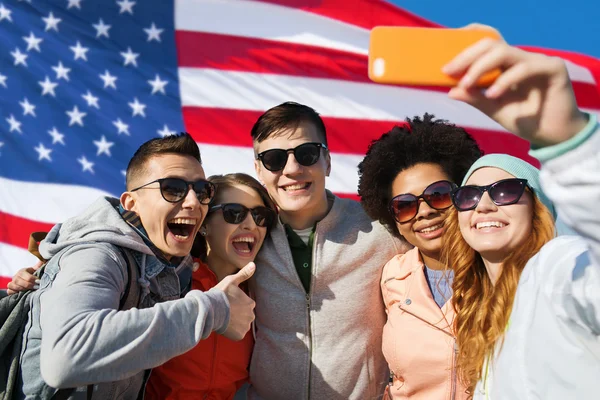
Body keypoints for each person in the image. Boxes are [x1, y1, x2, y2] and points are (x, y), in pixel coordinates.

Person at [15, 133, 256, 399]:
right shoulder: (97, 253)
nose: (193, 202)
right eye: (172, 188)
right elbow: (66, 357)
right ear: (131, 203)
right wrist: (215, 309)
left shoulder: (172, 265)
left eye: (202, 191)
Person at [441, 36, 599, 398]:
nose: (484, 206)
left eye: (504, 191)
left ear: (538, 207)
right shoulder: (476, 312)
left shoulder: (558, 269)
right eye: (468, 195)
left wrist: (568, 143)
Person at [248, 102, 411, 399]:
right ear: (259, 170)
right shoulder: (247, 237)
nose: (292, 169)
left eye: (306, 153)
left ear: (327, 161)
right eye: (274, 159)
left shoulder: (381, 229)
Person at [358, 114, 482, 399]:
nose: (424, 211)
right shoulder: (391, 276)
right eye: (405, 205)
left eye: (438, 194)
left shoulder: (504, 270)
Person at [145, 173, 276, 400]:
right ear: (204, 224)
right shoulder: (164, 282)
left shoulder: (263, 295)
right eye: (234, 213)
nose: (251, 224)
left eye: (260, 215)